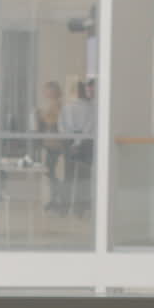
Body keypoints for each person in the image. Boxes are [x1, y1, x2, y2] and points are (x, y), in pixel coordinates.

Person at [57, 79, 96, 216]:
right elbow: (89, 128)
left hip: (70, 142)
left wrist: (71, 142)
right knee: (83, 177)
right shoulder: (91, 108)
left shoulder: (67, 107)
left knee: (68, 176)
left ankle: (64, 208)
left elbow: (62, 127)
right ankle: (80, 209)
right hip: (86, 143)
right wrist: (78, 142)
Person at [36, 81, 64, 212]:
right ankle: (54, 198)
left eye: (48, 90)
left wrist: (42, 116)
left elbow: (53, 120)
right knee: (49, 173)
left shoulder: (58, 105)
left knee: (53, 173)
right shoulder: (49, 105)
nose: (45, 93)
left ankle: (58, 198)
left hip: (56, 144)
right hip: (48, 144)